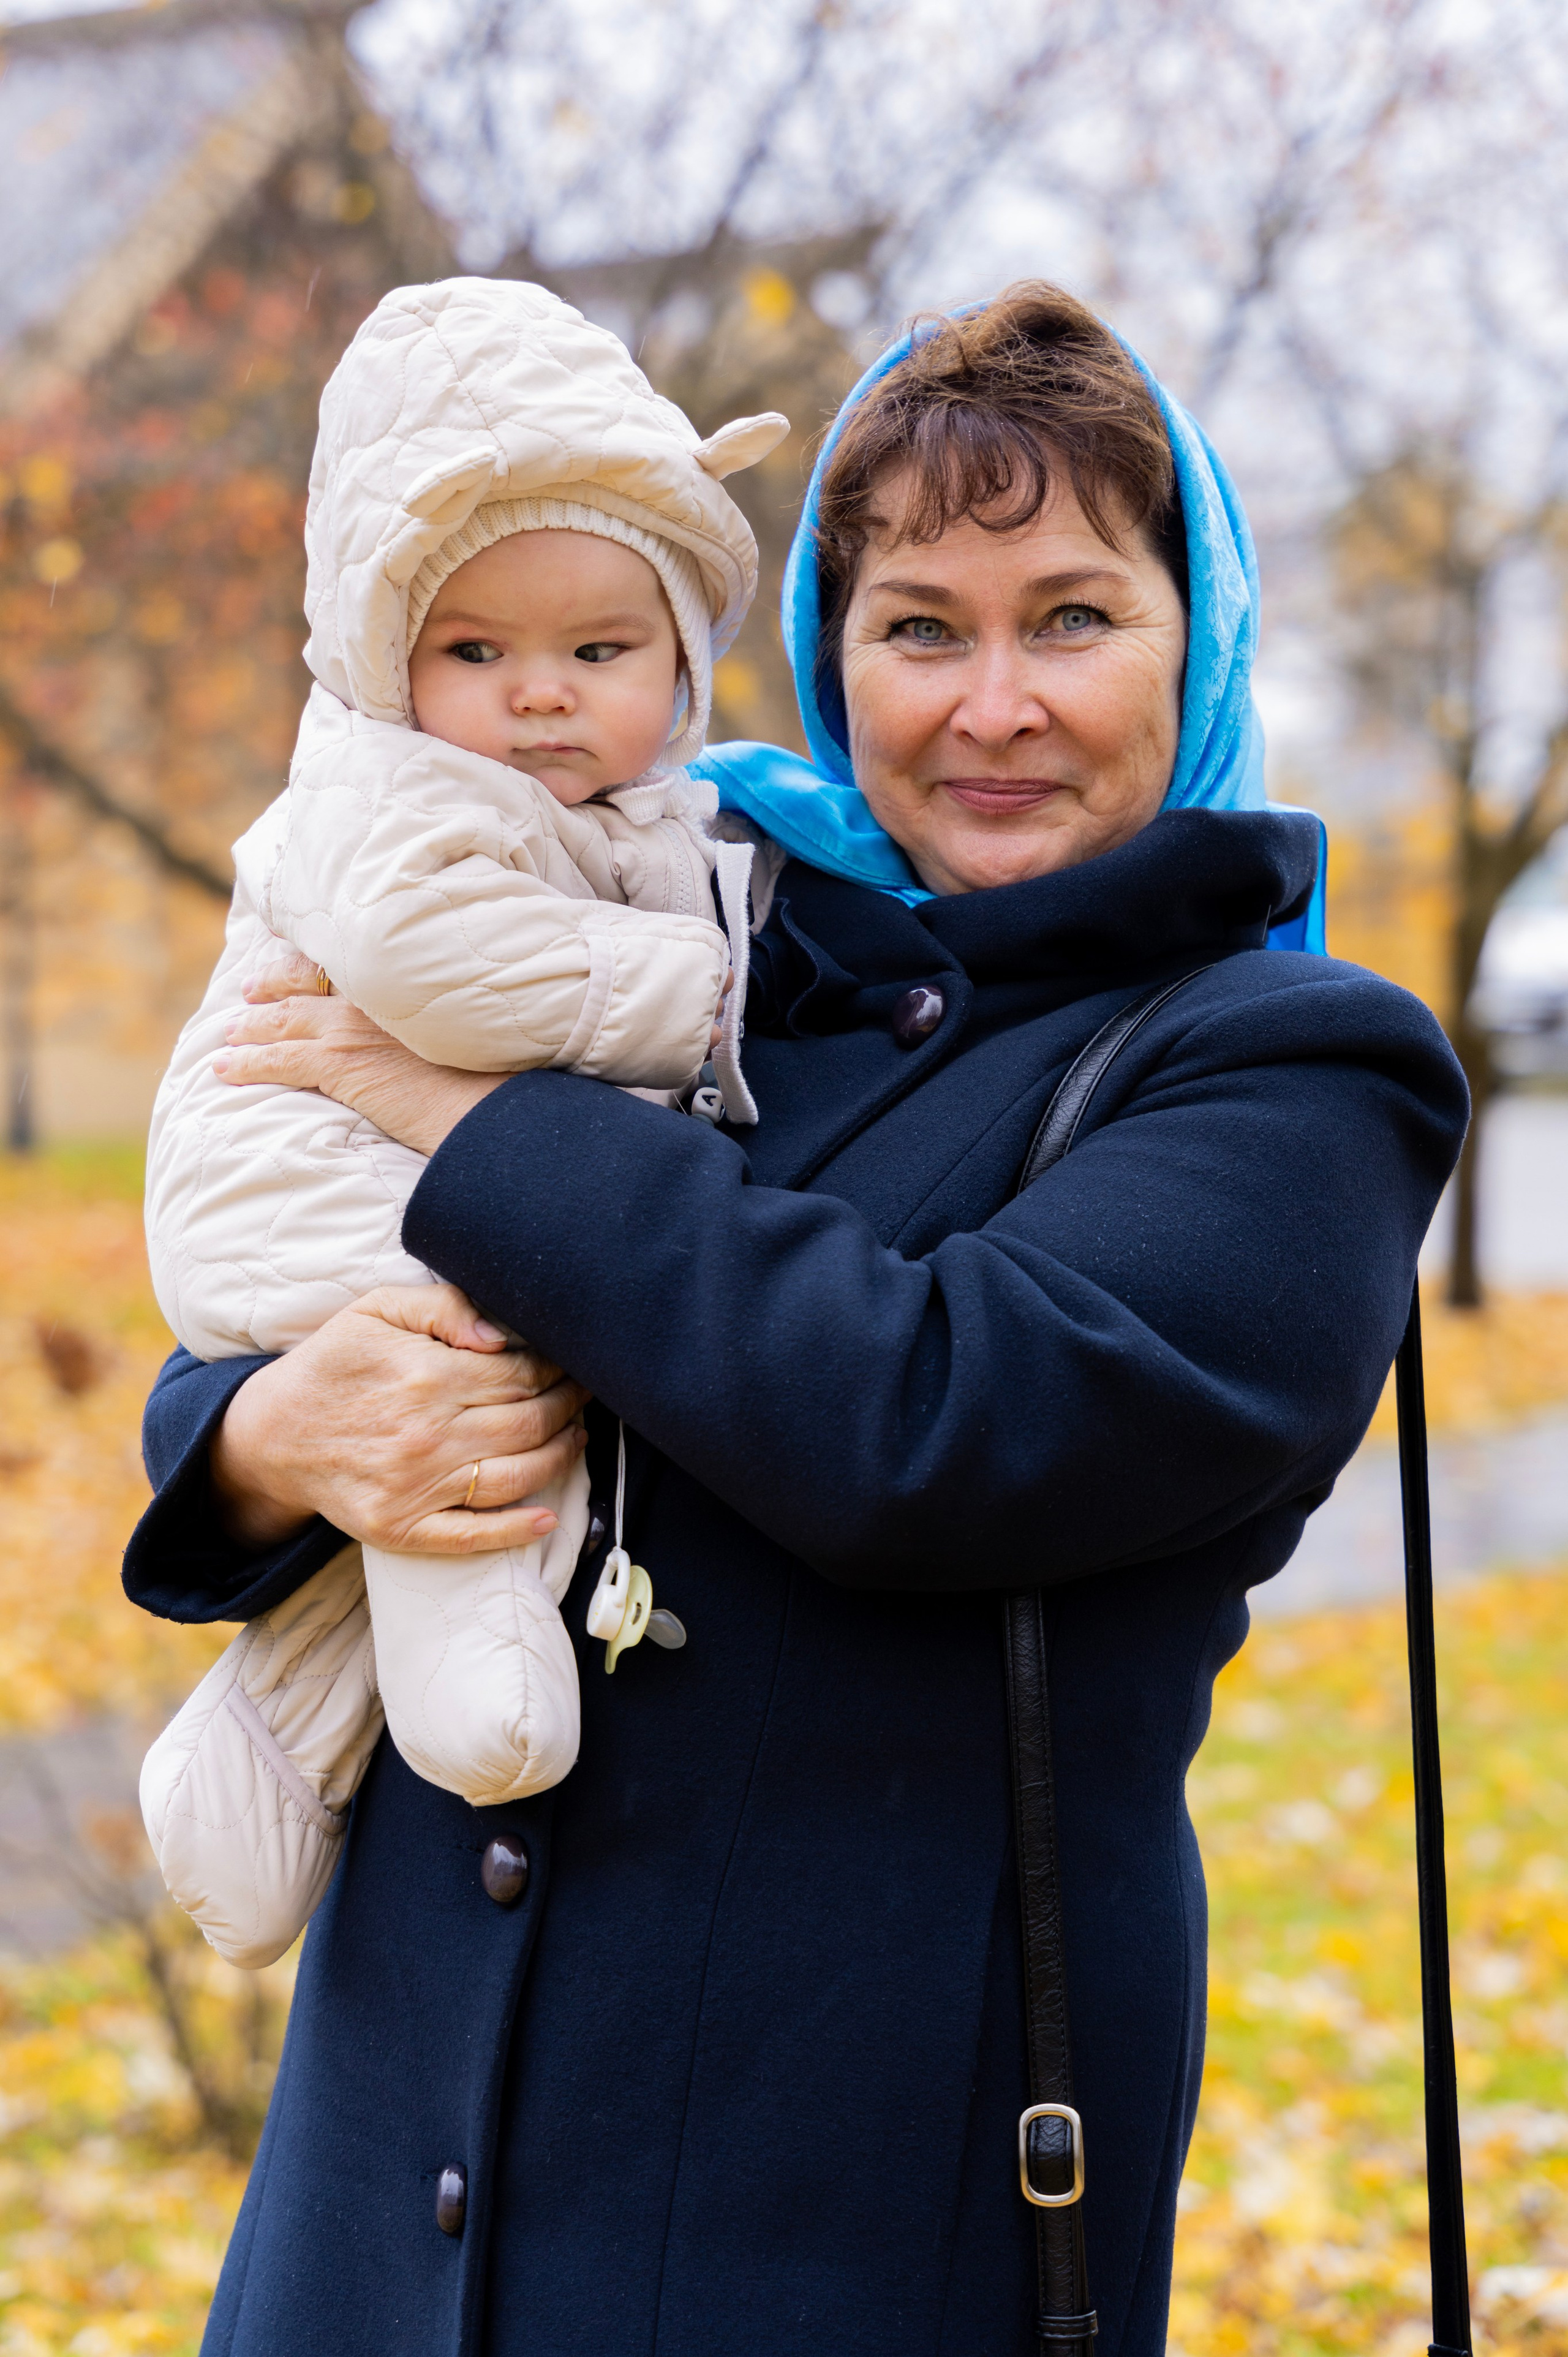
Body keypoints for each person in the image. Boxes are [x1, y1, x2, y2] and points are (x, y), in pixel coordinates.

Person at [124, 281, 1467, 2357]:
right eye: (920, 626)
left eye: (1072, 618)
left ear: (1198, 638)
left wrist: (472, 1115)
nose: (992, 704)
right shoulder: (702, 935)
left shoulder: (1286, 1069)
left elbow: (936, 1421)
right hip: (381, 2219)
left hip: (830, 2226)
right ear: (832, 658)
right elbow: (301, 1280)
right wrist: (265, 1441)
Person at [137, 275, 785, 1970]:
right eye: (475, 652)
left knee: (451, 1414)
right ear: (388, 658)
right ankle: (476, 1683)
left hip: (366, 1169)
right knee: (480, 1387)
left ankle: (254, 1767)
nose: (540, 696)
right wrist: (702, 994)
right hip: (299, 1168)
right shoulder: (388, 787)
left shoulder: (635, 814)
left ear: (684, 657)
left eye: (600, 651)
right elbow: (442, 969)